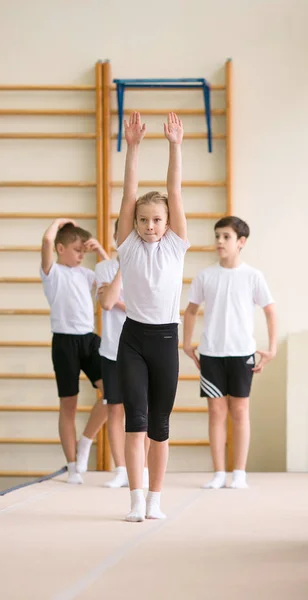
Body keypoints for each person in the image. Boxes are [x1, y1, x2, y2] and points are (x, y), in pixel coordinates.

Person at [116, 111, 189, 521]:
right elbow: (129, 195)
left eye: (155, 220)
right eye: (142, 220)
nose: (148, 225)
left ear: (167, 224)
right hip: (133, 340)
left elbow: (174, 193)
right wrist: (134, 146)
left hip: (165, 341)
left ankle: (156, 498)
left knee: (159, 424)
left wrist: (175, 146)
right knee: (135, 421)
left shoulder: (176, 246)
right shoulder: (126, 245)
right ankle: (135, 498)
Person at [183, 216, 277, 490]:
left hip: (241, 353)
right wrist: (187, 343)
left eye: (226, 237)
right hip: (211, 353)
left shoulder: (253, 276)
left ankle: (239, 472)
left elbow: (270, 311)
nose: (220, 242)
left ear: (241, 242)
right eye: (217, 236)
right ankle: (218, 473)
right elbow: (191, 310)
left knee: (240, 410)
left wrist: (271, 349)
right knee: (216, 412)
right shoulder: (205, 275)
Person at [40, 219, 109, 484]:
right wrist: (60, 223)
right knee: (68, 405)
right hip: (64, 343)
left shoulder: (87, 275)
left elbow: (113, 275)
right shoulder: (53, 273)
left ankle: (86, 441)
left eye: (84, 251)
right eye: (77, 250)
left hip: (89, 341)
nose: (82, 255)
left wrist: (100, 250)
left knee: (112, 393)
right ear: (61, 248)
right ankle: (71, 466)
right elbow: (46, 241)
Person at [95, 218, 150, 489]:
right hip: (112, 350)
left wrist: (120, 301)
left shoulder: (148, 264)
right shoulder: (103, 267)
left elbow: (148, 309)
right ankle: (120, 469)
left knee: (143, 411)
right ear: (116, 236)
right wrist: (122, 268)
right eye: (121, 234)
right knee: (114, 409)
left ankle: (143, 468)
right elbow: (106, 303)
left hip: (141, 350)